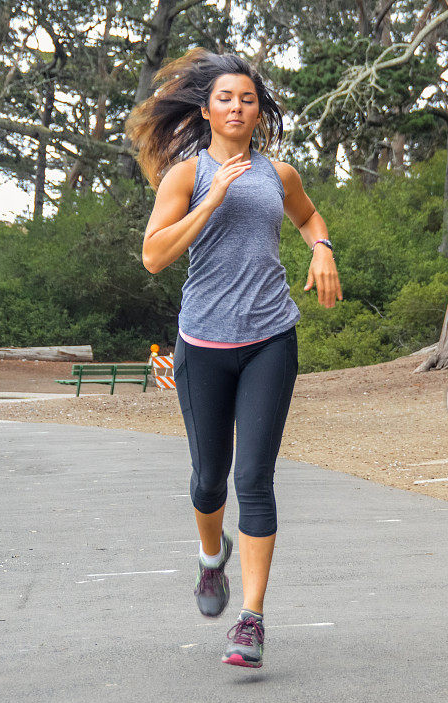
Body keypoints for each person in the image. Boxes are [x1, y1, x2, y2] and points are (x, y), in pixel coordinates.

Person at [126, 48, 342, 668]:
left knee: (254, 479)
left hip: (271, 337)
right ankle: (209, 559)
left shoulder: (280, 173)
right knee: (208, 480)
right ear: (207, 109)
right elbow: (154, 257)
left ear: (257, 111)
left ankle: (251, 620)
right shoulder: (185, 176)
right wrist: (212, 198)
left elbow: (307, 217)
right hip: (204, 344)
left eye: (248, 98)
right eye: (226, 98)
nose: (238, 106)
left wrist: (321, 247)